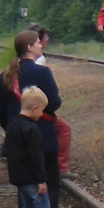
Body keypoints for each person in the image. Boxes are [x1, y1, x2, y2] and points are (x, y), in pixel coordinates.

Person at [13, 29, 64, 208]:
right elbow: (53, 102)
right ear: (29, 47)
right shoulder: (42, 73)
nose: (40, 45)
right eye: (37, 43)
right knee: (50, 182)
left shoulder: (9, 75)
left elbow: (0, 107)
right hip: (43, 132)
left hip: (16, 134)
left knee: (25, 182)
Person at [28, 22, 73, 176]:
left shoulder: (20, 60)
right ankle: (60, 167)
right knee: (64, 129)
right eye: (45, 36)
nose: (47, 39)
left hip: (27, 104)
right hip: (37, 105)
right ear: (38, 40)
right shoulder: (39, 60)